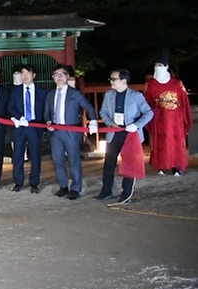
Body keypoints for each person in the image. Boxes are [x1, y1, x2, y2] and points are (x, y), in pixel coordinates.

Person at [95, 69, 154, 205]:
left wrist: (136, 125)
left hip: (130, 134)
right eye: (111, 79)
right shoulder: (109, 95)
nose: (111, 81)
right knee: (109, 163)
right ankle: (106, 191)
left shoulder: (136, 96)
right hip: (113, 133)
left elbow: (149, 113)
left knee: (129, 164)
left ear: (124, 81)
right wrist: (111, 123)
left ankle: (126, 194)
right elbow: (103, 112)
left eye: (114, 79)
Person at [43, 65, 98, 200]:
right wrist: (48, 122)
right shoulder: (50, 94)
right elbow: (46, 113)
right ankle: (63, 185)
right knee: (58, 160)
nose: (59, 77)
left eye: (62, 74)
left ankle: (75, 187)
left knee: (74, 159)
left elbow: (88, 107)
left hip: (72, 130)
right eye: (56, 74)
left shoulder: (75, 93)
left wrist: (93, 121)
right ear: (53, 77)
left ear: (68, 77)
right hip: (56, 131)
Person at [144, 50, 192, 176]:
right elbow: (146, 102)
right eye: (156, 65)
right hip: (159, 118)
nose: (158, 68)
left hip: (175, 118)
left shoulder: (176, 83)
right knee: (161, 141)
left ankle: (177, 166)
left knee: (176, 141)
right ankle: (162, 165)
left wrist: (184, 117)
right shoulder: (150, 84)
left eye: (161, 65)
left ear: (166, 67)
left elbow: (184, 101)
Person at [7, 64, 48, 193]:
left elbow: (46, 110)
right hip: (20, 126)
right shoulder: (15, 90)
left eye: (27, 73)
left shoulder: (42, 91)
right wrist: (19, 117)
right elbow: (10, 107)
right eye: (22, 74)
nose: (25, 76)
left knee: (35, 154)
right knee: (18, 154)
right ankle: (18, 182)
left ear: (34, 75)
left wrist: (46, 123)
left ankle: (34, 182)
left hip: (36, 126)